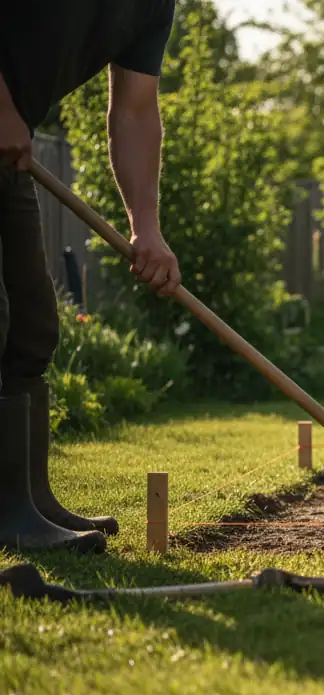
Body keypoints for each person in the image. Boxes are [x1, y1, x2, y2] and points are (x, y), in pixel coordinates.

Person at [0, 3, 183, 553]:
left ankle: (26, 501)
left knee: (32, 329)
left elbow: (134, 109)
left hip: (7, 150)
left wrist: (146, 227)